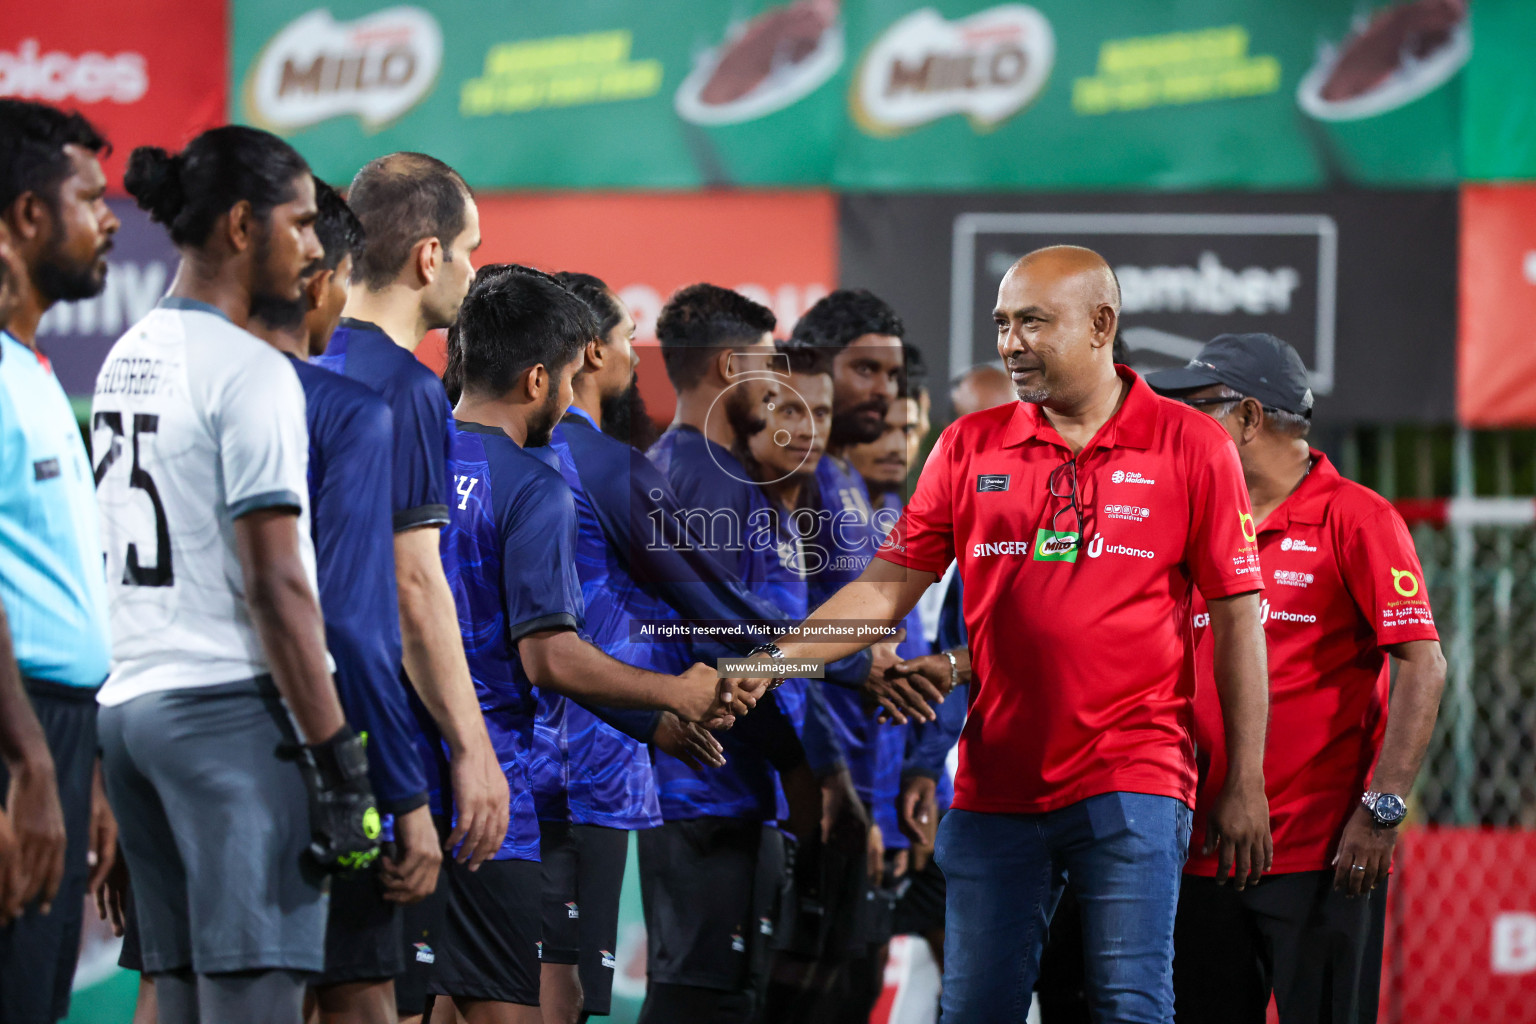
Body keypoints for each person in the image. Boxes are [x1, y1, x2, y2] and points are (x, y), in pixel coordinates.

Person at [726, 245, 1273, 1023]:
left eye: (1033, 323)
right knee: (975, 1009)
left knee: (1128, 1006)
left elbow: (1236, 622)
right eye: (1002, 324)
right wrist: (775, 662)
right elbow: (884, 590)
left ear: (1100, 325)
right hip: (996, 788)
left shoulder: (1193, 445)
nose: (1010, 342)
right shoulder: (968, 445)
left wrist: (1244, 780)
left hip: (1136, 776)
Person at [95, 126, 378, 1024]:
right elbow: (279, 587)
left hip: (132, 714)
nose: (312, 247)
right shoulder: (253, 371)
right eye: (300, 224)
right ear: (243, 225)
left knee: (174, 999)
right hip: (229, 722)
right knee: (253, 1003)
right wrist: (338, 759)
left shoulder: (123, 355)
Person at [432, 266, 730, 1024]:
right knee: (517, 1005)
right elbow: (549, 656)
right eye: (565, 378)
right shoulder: (537, 483)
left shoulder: (406, 450)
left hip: (401, 771)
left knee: (410, 997)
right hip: (495, 783)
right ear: (539, 377)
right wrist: (673, 692)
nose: (569, 399)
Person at [1148, 334, 1447, 1024]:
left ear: (1249, 418)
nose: (1180, 428)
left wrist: (1382, 813)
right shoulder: (1189, 519)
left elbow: (1423, 665)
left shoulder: (1359, 518)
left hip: (1322, 856)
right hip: (1198, 856)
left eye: (1199, 409)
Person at [313, 152, 506, 1020]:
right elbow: (414, 585)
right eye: (469, 250)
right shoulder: (407, 390)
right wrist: (471, 748)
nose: (472, 271)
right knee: (364, 990)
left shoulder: (288, 360)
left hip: (270, 720)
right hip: (367, 739)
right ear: (429, 258)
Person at [247, 179, 441, 1024]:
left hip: (168, 733)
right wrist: (401, 791)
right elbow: (369, 621)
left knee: (184, 983)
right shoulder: (359, 406)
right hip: (317, 746)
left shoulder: (157, 378)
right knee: (357, 988)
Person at [644, 285, 863, 1024]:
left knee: (725, 996)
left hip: (735, 789)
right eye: (768, 367)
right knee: (702, 1001)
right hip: (707, 792)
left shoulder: (723, 475)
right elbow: (716, 643)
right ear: (730, 366)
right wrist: (799, 766)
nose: (777, 388)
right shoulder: (706, 476)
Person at [0, 98, 119, 1024]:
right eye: (90, 196)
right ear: (30, 216)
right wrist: (33, 768)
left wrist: (80, 773)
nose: (109, 216)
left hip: (54, 734)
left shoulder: (34, 370)